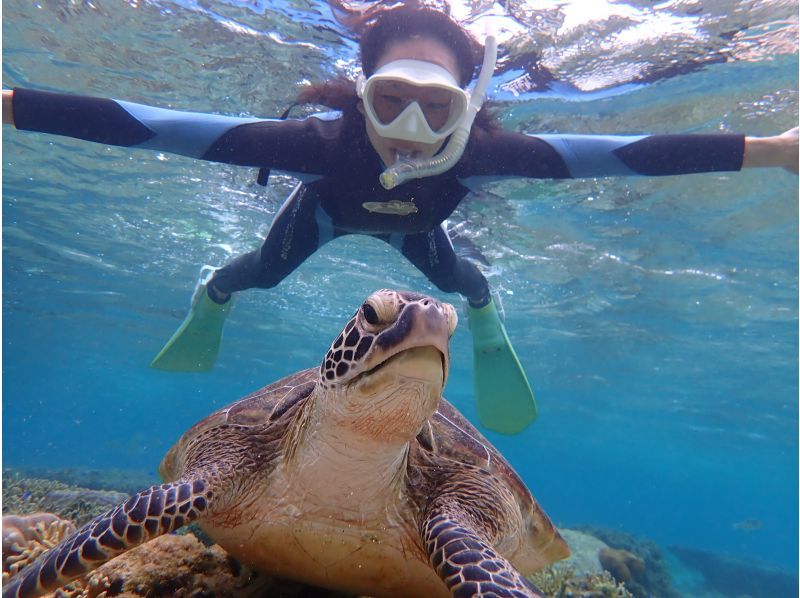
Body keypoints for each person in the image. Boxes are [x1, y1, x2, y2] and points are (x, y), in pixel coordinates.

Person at [2, 6, 797, 435]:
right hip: (325, 212)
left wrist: (775, 150)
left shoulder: (485, 154)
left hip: (414, 226)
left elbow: (628, 154)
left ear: (468, 107)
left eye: (437, 107)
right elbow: (150, 126)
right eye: (391, 101)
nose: (411, 130)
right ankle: (212, 295)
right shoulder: (313, 145)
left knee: (464, 282)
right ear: (363, 93)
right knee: (259, 273)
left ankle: (484, 318)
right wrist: (11, 105)